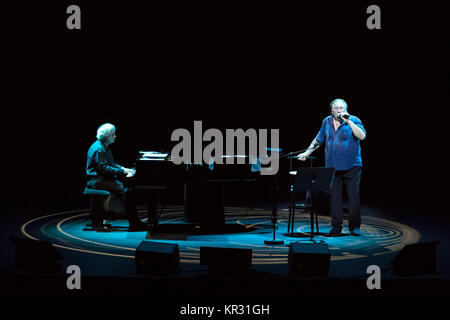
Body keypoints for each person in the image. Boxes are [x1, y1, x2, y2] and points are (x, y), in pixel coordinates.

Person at [297, 99, 366, 236]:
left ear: (346, 109)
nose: (339, 110)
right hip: (332, 166)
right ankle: (336, 227)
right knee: (335, 198)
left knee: (353, 197)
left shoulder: (354, 120)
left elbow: (362, 136)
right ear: (332, 110)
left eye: (342, 108)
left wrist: (349, 122)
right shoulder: (326, 121)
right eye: (337, 108)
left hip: (352, 166)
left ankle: (354, 226)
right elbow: (318, 140)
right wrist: (306, 153)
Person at [86, 123, 148, 231]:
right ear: (106, 137)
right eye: (113, 134)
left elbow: (112, 164)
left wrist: (125, 169)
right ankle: (134, 223)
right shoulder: (99, 149)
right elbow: (105, 169)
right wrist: (122, 172)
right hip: (96, 181)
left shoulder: (105, 147)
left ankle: (135, 221)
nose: (115, 136)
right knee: (124, 190)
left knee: (123, 187)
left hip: (102, 178)